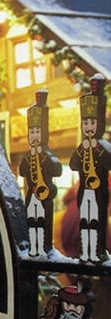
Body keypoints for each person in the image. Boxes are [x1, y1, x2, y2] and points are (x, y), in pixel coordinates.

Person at [69, 75, 110, 263]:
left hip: (98, 192)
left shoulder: (102, 147)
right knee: (85, 222)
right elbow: (72, 165)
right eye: (85, 123)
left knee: (97, 222)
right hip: (84, 191)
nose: (89, 127)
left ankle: (97, 250)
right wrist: (82, 152)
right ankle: (86, 250)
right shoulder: (82, 147)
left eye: (92, 123)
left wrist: (96, 150)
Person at [20, 90, 60, 258]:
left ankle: (43, 246)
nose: (34, 136)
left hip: (44, 194)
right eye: (32, 132)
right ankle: (34, 248)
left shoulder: (46, 155)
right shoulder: (29, 155)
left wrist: (43, 158)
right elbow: (22, 171)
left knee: (43, 222)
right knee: (32, 222)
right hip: (32, 195)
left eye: (37, 132)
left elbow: (57, 169)